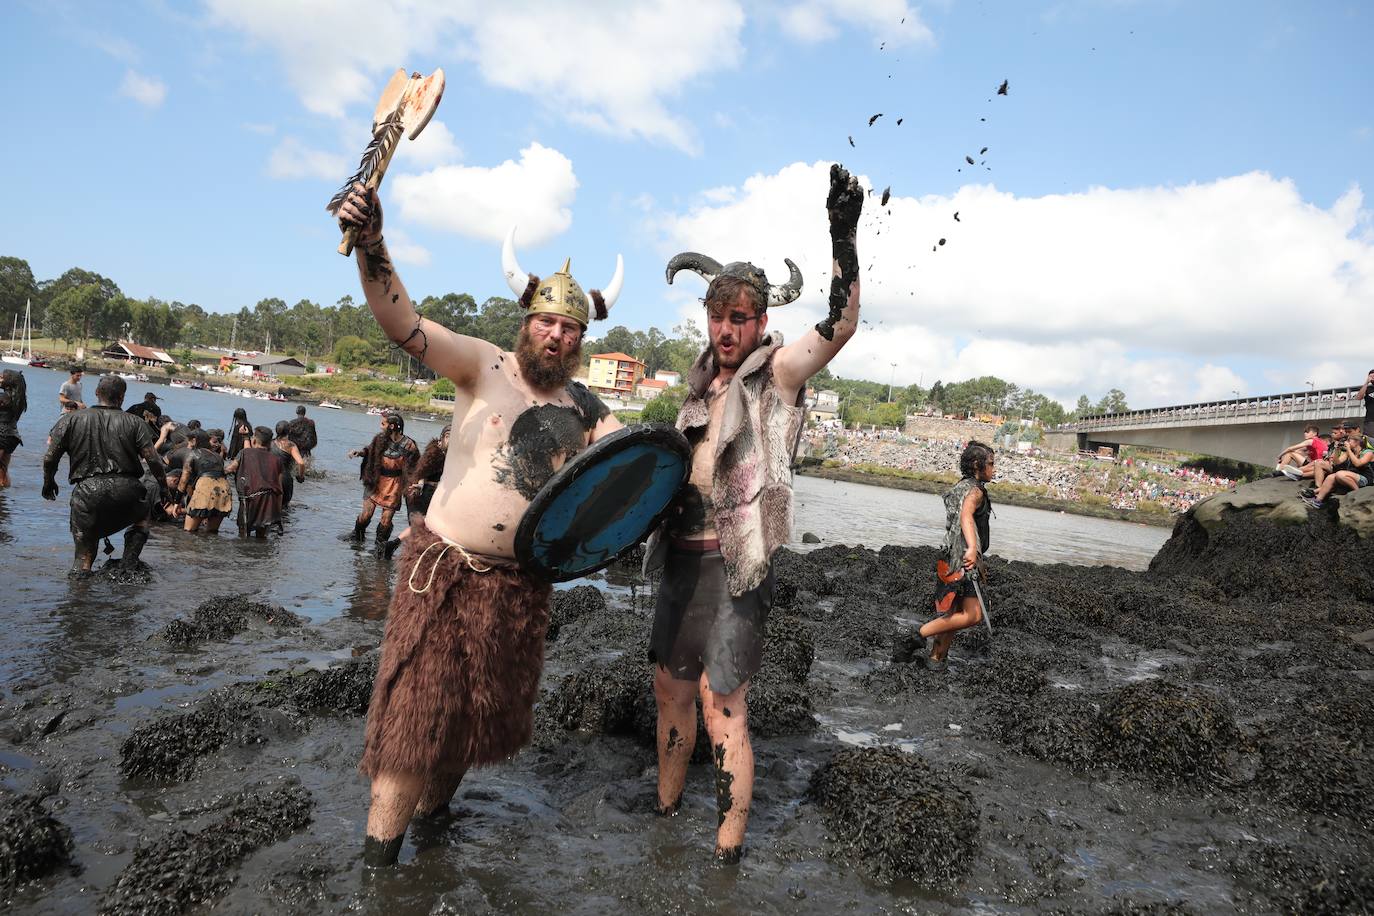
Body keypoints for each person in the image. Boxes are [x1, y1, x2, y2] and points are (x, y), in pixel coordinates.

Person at [332, 181, 623, 867]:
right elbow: (402, 322)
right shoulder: (481, 364)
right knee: (412, 724)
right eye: (548, 322)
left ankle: (434, 828)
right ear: (526, 319)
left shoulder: (586, 408)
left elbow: (634, 473)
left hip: (521, 589)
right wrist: (372, 244)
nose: (557, 335)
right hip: (444, 572)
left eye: (571, 328)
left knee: (471, 726)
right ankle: (380, 869)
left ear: (582, 339)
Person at [642, 165, 864, 863]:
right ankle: (666, 812)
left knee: (722, 704)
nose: (728, 327)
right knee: (670, 692)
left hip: (737, 566)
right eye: (718, 315)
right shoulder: (700, 388)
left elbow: (842, 324)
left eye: (741, 316)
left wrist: (843, 235)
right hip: (680, 556)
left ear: (762, 321)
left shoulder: (780, 375)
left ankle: (728, 851)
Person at [41, 374, 166, 572]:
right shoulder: (135, 423)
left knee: (83, 556)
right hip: (128, 490)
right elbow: (153, 460)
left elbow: (49, 458)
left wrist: (48, 482)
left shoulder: (71, 419)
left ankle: (79, 592)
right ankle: (129, 563)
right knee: (142, 516)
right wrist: (164, 487)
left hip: (88, 493)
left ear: (97, 393)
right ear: (122, 397)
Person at [920, 441, 997, 671]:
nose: (994, 469)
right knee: (973, 616)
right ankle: (918, 635)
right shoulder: (975, 491)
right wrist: (973, 548)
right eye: (991, 464)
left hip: (949, 557)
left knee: (951, 615)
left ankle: (936, 660)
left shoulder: (961, 486)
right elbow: (966, 517)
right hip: (963, 559)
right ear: (977, 465)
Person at [346, 412, 419, 551]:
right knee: (365, 516)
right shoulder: (380, 439)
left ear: (391, 426)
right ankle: (357, 535)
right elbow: (369, 450)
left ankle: (380, 547)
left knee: (386, 520)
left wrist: (416, 483)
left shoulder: (409, 445)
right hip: (376, 480)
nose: (380, 427)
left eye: (383, 424)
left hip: (395, 484)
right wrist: (360, 453)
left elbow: (416, 466)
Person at [227, 426, 283, 537]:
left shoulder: (244, 453)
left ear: (254, 440)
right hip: (269, 501)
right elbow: (280, 489)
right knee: (262, 537)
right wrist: (278, 512)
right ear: (270, 443)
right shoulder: (277, 460)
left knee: (243, 535)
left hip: (249, 500)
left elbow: (230, 469)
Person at [1304, 428, 1374, 508]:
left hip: (1365, 478)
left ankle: (1357, 492)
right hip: (1352, 476)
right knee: (1331, 477)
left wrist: (1348, 450)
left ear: (1357, 442)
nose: (1347, 443)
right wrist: (1337, 450)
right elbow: (1337, 462)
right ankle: (1318, 500)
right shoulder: (1350, 452)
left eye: (1349, 441)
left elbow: (1358, 464)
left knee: (1340, 474)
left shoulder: (1368, 453)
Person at [179, 429, 233, 533]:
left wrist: (177, 503)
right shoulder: (218, 457)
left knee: (188, 532)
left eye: (190, 441)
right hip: (224, 490)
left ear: (195, 441)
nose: (188, 444)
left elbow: (184, 480)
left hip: (205, 487)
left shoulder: (192, 454)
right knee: (212, 533)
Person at [0, 369, 28, 488]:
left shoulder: (3, 398)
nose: (0, 379)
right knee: (3, 470)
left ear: (9, 382)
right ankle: (3, 501)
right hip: (12, 437)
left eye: (1, 377)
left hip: (1, 435)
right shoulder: (19, 399)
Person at [271, 420, 307, 508]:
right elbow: (301, 463)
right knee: (284, 508)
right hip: (285, 480)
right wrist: (301, 476)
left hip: (269, 478)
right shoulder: (291, 445)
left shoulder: (269, 442)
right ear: (289, 431)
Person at [1359, 369, 1374, 439]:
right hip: (1371, 420)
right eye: (1371, 376)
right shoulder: (1368, 388)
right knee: (1369, 440)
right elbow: (1359, 397)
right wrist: (1366, 382)